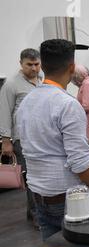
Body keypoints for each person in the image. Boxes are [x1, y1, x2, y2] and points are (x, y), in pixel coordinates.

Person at [16, 39, 89, 240]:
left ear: (43, 66)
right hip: (71, 199)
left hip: (39, 196)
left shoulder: (26, 102)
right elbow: (81, 164)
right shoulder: (67, 104)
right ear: (72, 67)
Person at [0, 48, 43, 227]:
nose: (33, 68)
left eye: (36, 64)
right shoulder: (11, 84)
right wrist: (6, 141)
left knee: (38, 175)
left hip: (40, 137)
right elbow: (4, 113)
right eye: (29, 65)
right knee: (30, 177)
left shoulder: (41, 80)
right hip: (21, 138)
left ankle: (32, 211)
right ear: (21, 64)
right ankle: (35, 213)